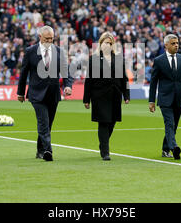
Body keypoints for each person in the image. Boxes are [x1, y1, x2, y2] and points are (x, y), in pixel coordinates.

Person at [17, 26, 73, 161]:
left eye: (52, 39)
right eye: (47, 38)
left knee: (48, 125)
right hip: (36, 94)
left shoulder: (59, 51)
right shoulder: (30, 51)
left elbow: (66, 72)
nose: (49, 41)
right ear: (40, 37)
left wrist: (68, 86)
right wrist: (20, 92)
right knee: (43, 122)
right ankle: (48, 151)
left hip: (53, 93)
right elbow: (23, 73)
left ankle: (40, 150)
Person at [148, 34, 181, 160]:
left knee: (174, 125)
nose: (176, 45)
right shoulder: (159, 61)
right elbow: (153, 82)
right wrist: (151, 101)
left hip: (179, 98)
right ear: (166, 45)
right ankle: (174, 147)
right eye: (173, 43)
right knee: (169, 123)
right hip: (165, 99)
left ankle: (165, 149)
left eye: (177, 43)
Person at [83, 32, 130, 161]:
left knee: (112, 122)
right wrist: (86, 99)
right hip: (99, 95)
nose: (108, 45)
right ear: (100, 43)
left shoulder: (118, 58)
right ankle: (105, 152)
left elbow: (124, 78)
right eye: (105, 43)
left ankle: (102, 144)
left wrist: (126, 95)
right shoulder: (94, 59)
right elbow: (89, 80)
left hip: (115, 95)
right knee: (104, 122)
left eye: (110, 43)